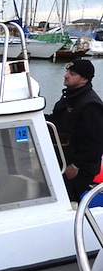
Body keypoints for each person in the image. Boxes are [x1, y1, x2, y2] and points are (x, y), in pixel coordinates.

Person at [46, 59, 103, 202]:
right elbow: (56, 121)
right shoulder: (71, 97)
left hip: (76, 167)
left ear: (84, 79)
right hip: (62, 157)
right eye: (66, 71)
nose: (65, 75)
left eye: (72, 73)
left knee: (68, 199)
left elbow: (95, 142)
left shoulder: (91, 105)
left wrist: (76, 166)